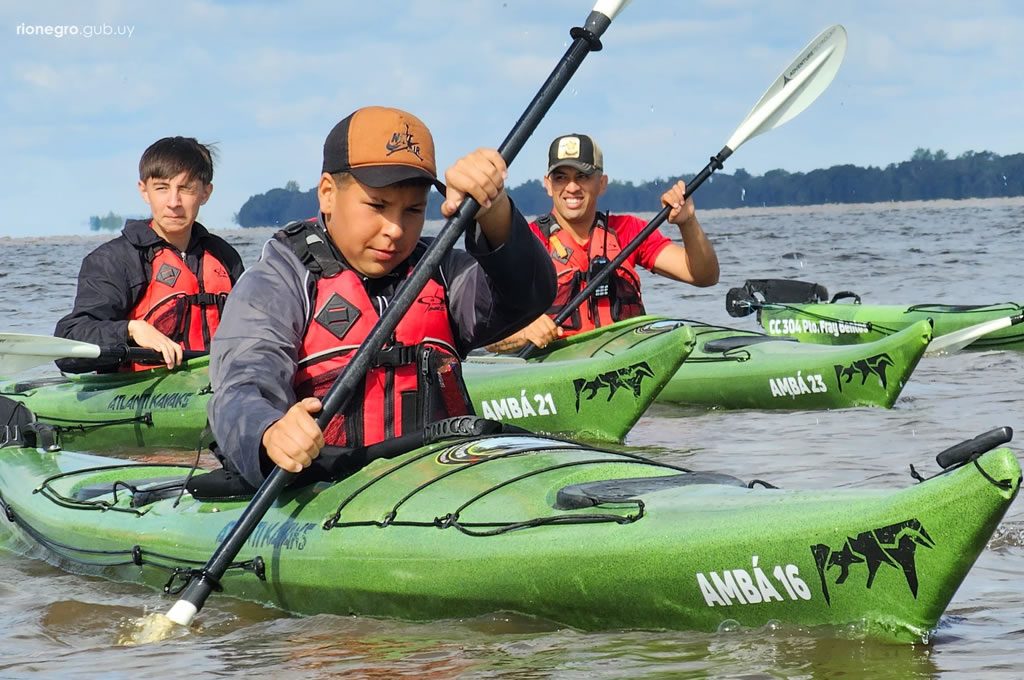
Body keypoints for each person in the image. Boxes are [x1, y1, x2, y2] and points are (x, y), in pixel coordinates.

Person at [208, 106, 556, 488]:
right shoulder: (278, 280)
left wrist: (493, 210)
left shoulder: (442, 272)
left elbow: (527, 296)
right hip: (328, 492)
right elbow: (241, 383)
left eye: (413, 210)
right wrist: (270, 431)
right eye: (377, 205)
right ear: (327, 193)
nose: (394, 229)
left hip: (442, 487)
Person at [487, 133, 719, 352]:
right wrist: (523, 331)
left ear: (602, 183)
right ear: (548, 184)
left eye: (583, 176)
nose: (572, 187)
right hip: (558, 368)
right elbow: (487, 332)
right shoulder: (526, 241)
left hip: (628, 358)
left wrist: (687, 223)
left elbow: (702, 276)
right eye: (561, 178)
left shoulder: (628, 230)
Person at [54, 137, 244, 373]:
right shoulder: (115, 260)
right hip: (138, 392)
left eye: (186, 189)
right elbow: (69, 343)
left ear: (206, 192)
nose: (173, 202)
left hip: (216, 383)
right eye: (162, 188)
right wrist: (131, 330)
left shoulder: (225, 257)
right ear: (144, 191)